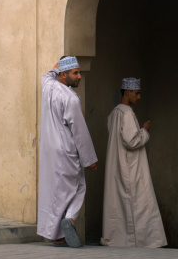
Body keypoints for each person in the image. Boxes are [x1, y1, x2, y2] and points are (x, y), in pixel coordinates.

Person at [37, 56, 97, 248]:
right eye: (75, 73)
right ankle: (70, 219)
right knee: (78, 187)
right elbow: (79, 131)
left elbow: (47, 74)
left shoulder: (48, 86)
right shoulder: (70, 98)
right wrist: (89, 160)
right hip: (65, 150)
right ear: (64, 74)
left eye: (79, 72)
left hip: (48, 151)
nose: (79, 76)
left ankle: (58, 236)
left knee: (56, 193)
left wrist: (59, 62)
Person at [100, 77, 167, 248]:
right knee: (139, 203)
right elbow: (131, 141)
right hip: (130, 167)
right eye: (136, 94)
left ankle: (121, 240)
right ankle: (146, 241)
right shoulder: (127, 113)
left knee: (121, 204)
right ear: (127, 93)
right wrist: (144, 130)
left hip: (119, 165)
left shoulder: (114, 113)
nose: (139, 98)